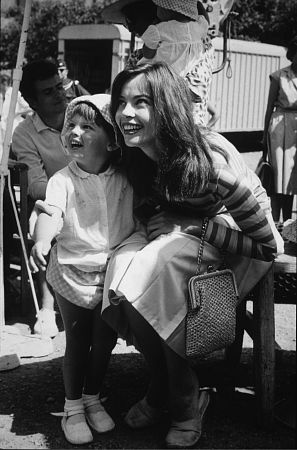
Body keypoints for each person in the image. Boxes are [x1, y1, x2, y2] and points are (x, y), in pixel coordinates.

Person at [100, 62, 283, 449]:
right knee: (121, 268)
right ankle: (163, 382)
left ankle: (182, 396)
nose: (126, 113)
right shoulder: (138, 156)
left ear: (166, 107)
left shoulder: (210, 162)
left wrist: (199, 228)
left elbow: (268, 246)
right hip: (185, 228)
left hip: (235, 235)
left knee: (157, 268)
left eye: (142, 102)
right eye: (121, 102)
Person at [29, 94, 136, 445]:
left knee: (104, 340)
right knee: (77, 341)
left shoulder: (124, 178)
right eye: (71, 125)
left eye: (87, 126)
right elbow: (50, 212)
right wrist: (43, 241)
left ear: (111, 138)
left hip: (111, 272)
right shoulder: (63, 179)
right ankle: (72, 406)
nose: (75, 131)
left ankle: (93, 396)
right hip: (72, 271)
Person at [12, 59, 71, 338]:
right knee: (44, 226)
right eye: (48, 92)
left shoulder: (83, 113)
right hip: (53, 201)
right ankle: (47, 309)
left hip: (98, 191)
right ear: (32, 102)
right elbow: (35, 185)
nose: (60, 95)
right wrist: (69, 192)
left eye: (59, 87)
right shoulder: (25, 133)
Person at [263, 36, 297, 225]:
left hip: (296, 132)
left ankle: (289, 225)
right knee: (277, 178)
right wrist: (263, 139)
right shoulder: (279, 76)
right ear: (293, 55)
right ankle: (275, 224)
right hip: (279, 127)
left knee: (291, 181)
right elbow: (269, 108)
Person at [138, 0, 208, 78]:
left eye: (158, 7)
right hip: (184, 74)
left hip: (156, 74)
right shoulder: (199, 26)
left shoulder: (159, 29)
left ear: (167, 10)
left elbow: (148, 54)